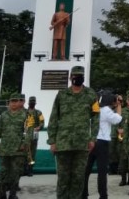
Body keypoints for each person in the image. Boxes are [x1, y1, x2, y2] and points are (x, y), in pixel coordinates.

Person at [47, 65, 100, 199]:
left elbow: (96, 118)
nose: (78, 78)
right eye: (75, 76)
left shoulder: (91, 94)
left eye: (80, 76)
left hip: (82, 144)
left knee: (78, 177)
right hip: (63, 143)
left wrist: (93, 138)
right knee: (63, 178)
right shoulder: (62, 95)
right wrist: (52, 141)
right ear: (71, 77)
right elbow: (54, 118)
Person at [83, 92, 122, 199]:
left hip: (90, 141)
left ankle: (83, 193)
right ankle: (103, 195)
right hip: (102, 143)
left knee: (86, 169)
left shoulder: (93, 109)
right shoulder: (106, 111)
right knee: (102, 171)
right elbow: (117, 119)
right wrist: (119, 105)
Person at [0, 93, 29, 199]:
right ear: (9, 103)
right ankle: (2, 193)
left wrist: (24, 144)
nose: (13, 103)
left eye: (15, 101)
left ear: (19, 102)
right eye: (11, 101)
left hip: (18, 150)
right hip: (4, 149)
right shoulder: (4, 115)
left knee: (15, 173)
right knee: (3, 172)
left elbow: (29, 132)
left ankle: (13, 194)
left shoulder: (26, 115)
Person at [117, 94, 129, 188]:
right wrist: (119, 130)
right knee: (123, 160)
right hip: (123, 139)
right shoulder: (122, 111)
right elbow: (116, 122)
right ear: (127, 101)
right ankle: (123, 179)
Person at [24, 96, 45, 177]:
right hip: (25, 134)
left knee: (32, 152)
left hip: (34, 135)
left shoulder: (38, 113)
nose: (32, 103)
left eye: (33, 102)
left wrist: (39, 127)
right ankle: (24, 169)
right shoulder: (24, 112)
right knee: (24, 151)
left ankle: (30, 169)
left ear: (35, 103)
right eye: (31, 102)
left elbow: (42, 122)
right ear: (28, 103)